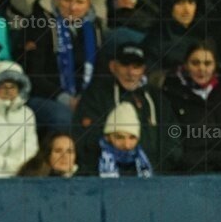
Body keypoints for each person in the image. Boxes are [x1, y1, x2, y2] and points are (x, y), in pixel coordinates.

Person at [74, 43, 182, 172]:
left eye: (136, 67)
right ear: (113, 67)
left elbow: (173, 138)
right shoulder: (95, 95)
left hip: (153, 179)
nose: (130, 73)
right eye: (125, 65)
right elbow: (84, 139)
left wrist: (156, 169)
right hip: (104, 178)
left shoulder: (157, 98)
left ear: (143, 70)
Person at [19, 0, 103, 133]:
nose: (73, 7)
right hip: (43, 96)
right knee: (64, 117)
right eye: (68, 0)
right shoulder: (39, 23)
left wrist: (85, 99)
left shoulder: (94, 28)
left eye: (80, 2)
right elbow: (33, 75)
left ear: (88, 4)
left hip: (83, 96)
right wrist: (65, 98)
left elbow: (100, 71)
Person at [162, 40, 221, 172]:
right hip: (190, 171)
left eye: (207, 63)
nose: (201, 69)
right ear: (185, 65)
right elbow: (170, 142)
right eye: (195, 63)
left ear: (215, 66)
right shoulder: (171, 94)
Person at [93, 101, 154, 176]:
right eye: (119, 137)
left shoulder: (148, 161)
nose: (127, 145)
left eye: (132, 137)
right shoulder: (91, 163)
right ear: (107, 137)